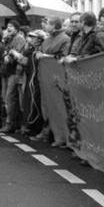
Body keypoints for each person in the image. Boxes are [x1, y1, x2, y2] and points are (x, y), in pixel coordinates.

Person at [31, 16, 70, 144]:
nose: (45, 26)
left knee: (58, 106)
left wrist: (46, 56)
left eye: (47, 24)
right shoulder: (47, 40)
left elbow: (63, 57)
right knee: (46, 106)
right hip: (46, 79)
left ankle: (61, 136)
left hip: (58, 78)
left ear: (54, 25)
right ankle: (47, 131)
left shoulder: (65, 39)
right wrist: (37, 53)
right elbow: (40, 51)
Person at [9, 29, 46, 136]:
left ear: (39, 39)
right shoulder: (29, 49)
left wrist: (15, 54)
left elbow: (24, 61)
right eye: (29, 36)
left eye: (32, 37)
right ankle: (27, 126)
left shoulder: (40, 50)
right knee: (27, 102)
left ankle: (34, 128)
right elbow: (24, 60)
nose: (29, 38)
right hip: (29, 78)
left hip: (38, 79)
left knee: (35, 102)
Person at [0, 20, 26, 134]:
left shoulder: (19, 38)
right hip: (7, 71)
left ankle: (11, 123)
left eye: (11, 26)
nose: (8, 28)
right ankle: (12, 123)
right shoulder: (8, 39)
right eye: (8, 26)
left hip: (14, 72)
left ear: (16, 29)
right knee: (6, 98)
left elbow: (18, 54)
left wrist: (9, 56)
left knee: (10, 98)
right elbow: (5, 52)